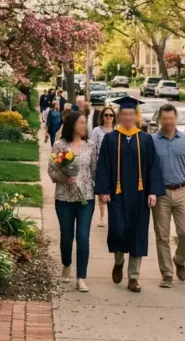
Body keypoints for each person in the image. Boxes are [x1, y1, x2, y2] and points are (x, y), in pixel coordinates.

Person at [95, 95, 165, 293]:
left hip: (140, 196)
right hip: (117, 195)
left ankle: (133, 277)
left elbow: (153, 167)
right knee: (117, 230)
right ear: (119, 116)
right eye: (124, 114)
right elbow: (104, 166)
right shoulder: (110, 139)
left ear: (136, 116)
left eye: (131, 114)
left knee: (137, 234)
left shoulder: (145, 139)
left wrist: (153, 192)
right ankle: (118, 261)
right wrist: (103, 190)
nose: (127, 117)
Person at [151, 104, 185, 288]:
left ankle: (179, 260)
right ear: (159, 120)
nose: (168, 122)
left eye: (171, 118)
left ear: (176, 118)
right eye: (164, 119)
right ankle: (167, 273)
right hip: (161, 193)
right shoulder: (152, 140)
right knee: (162, 236)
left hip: (182, 190)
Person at [48, 110, 98, 293]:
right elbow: (52, 170)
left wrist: (102, 192)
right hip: (64, 198)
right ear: (72, 125)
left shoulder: (90, 146)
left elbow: (94, 171)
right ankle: (66, 263)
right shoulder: (60, 145)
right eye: (81, 122)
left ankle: (81, 278)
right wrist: (63, 178)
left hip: (86, 199)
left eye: (85, 122)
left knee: (83, 238)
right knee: (67, 236)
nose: (84, 126)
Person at [90, 104, 115, 227]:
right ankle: (102, 216)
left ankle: (113, 216)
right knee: (102, 190)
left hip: (115, 165)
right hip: (101, 164)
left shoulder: (118, 130)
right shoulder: (97, 131)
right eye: (106, 115)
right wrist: (93, 165)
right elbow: (92, 148)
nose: (109, 117)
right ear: (102, 117)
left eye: (111, 115)